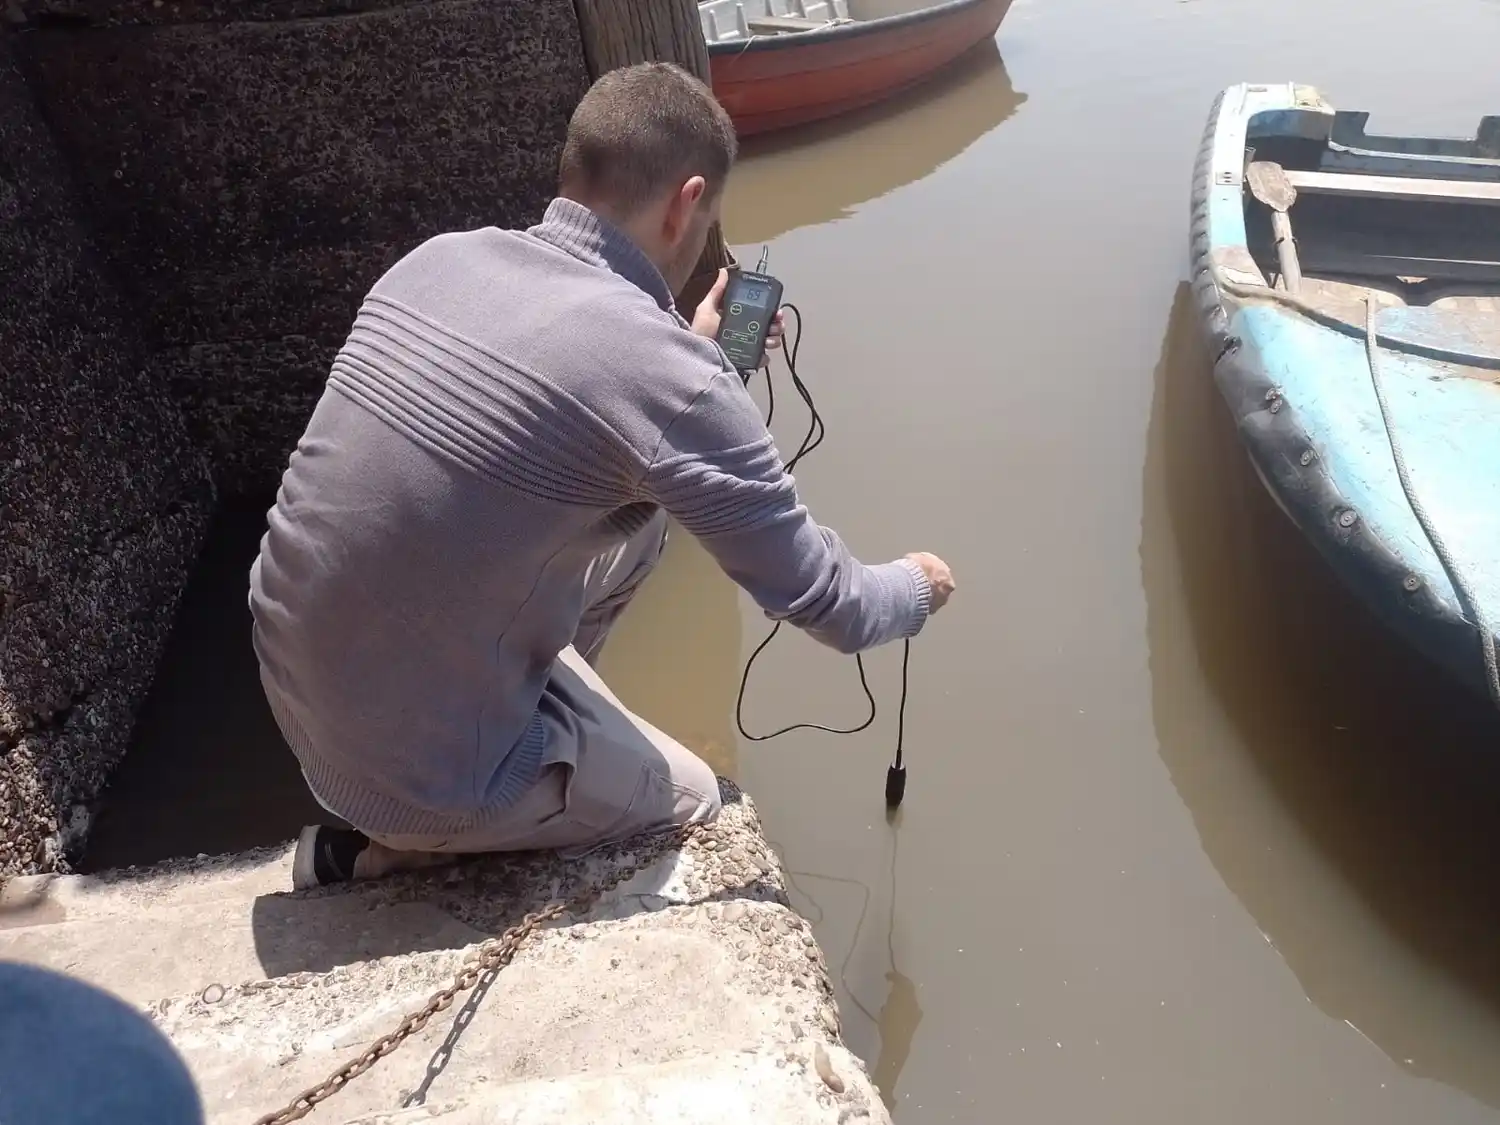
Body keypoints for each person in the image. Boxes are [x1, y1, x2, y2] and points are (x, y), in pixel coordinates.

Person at [249, 61, 955, 891]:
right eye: (708, 220)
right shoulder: (672, 378)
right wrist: (919, 585)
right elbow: (827, 602)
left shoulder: (440, 258)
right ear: (686, 201)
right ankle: (399, 851)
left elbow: (592, 375)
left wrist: (685, 348)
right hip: (408, 775)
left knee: (643, 524)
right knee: (694, 801)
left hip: (290, 682)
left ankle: (550, 728)